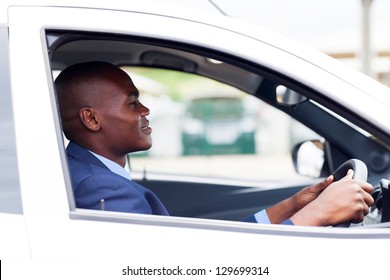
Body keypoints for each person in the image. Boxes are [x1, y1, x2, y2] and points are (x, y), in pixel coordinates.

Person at [55, 61, 374, 226]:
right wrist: (317, 214)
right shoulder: (102, 190)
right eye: (132, 103)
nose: (146, 110)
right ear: (91, 119)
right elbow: (172, 269)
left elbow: (189, 253)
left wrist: (297, 204)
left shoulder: (92, 175)